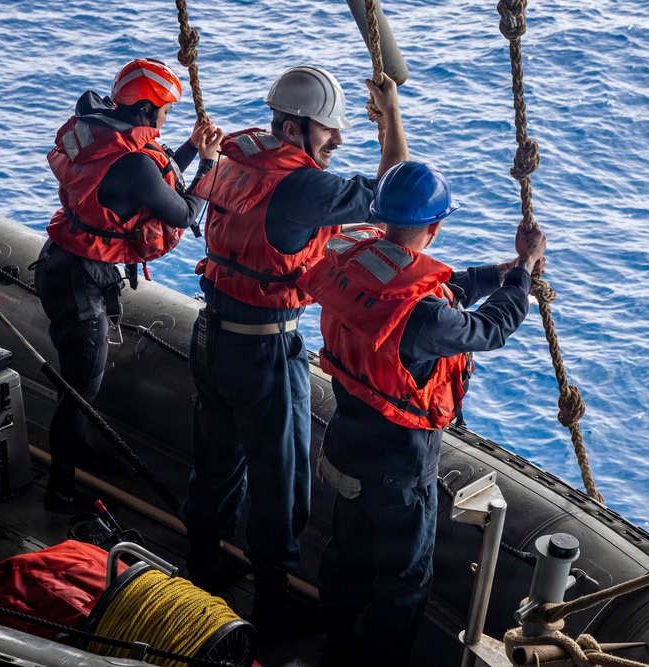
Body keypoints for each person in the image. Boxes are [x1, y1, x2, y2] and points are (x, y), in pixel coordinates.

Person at [177, 64, 408, 639]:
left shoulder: (236, 159)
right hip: (263, 350)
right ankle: (272, 603)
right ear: (301, 125)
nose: (337, 139)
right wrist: (392, 118)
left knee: (216, 465)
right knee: (280, 479)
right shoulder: (303, 186)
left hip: (211, 336)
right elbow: (394, 201)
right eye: (330, 130)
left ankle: (201, 568)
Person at [296, 160, 547, 667]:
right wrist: (523, 275)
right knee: (405, 579)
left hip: (346, 445)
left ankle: (336, 645)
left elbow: (438, 290)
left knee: (347, 556)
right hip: (398, 469)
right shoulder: (424, 316)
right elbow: (489, 328)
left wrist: (499, 273)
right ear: (434, 226)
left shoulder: (354, 262)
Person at [33, 58, 223, 514]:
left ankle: (75, 449)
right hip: (80, 280)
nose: (165, 119)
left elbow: (147, 177)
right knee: (80, 389)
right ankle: (59, 492)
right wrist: (211, 165)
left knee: (80, 383)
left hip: (65, 262)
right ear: (143, 109)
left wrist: (191, 149)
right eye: (163, 111)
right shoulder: (132, 161)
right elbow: (183, 212)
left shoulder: (106, 133)